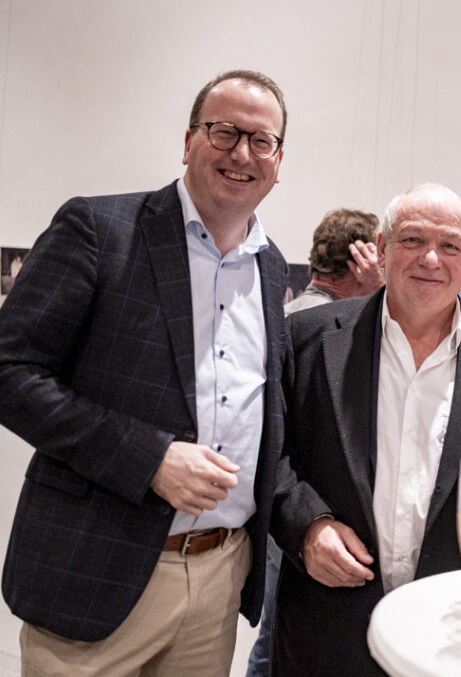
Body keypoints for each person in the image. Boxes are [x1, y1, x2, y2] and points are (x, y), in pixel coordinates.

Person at [0, 69, 289, 676]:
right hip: (97, 567)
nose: (242, 153)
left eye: (260, 140)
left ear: (278, 160)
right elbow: (10, 371)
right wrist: (150, 459)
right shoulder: (99, 230)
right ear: (188, 143)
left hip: (219, 575)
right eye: (224, 132)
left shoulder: (270, 269)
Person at [272, 183, 461, 675]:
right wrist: (307, 527)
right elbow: (272, 454)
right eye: (413, 240)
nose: (431, 259)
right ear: (381, 249)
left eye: (449, 246)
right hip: (326, 630)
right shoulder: (308, 338)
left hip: (454, 633)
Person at [246, 206, 384, 677]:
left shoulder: (285, 313)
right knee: (276, 639)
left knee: (272, 631)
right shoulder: (325, 329)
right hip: (309, 515)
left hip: (281, 507)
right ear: (366, 256)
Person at [283, 207, 385, 315]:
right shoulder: (335, 324)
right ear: (361, 261)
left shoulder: (282, 314)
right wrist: (380, 288)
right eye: (377, 254)